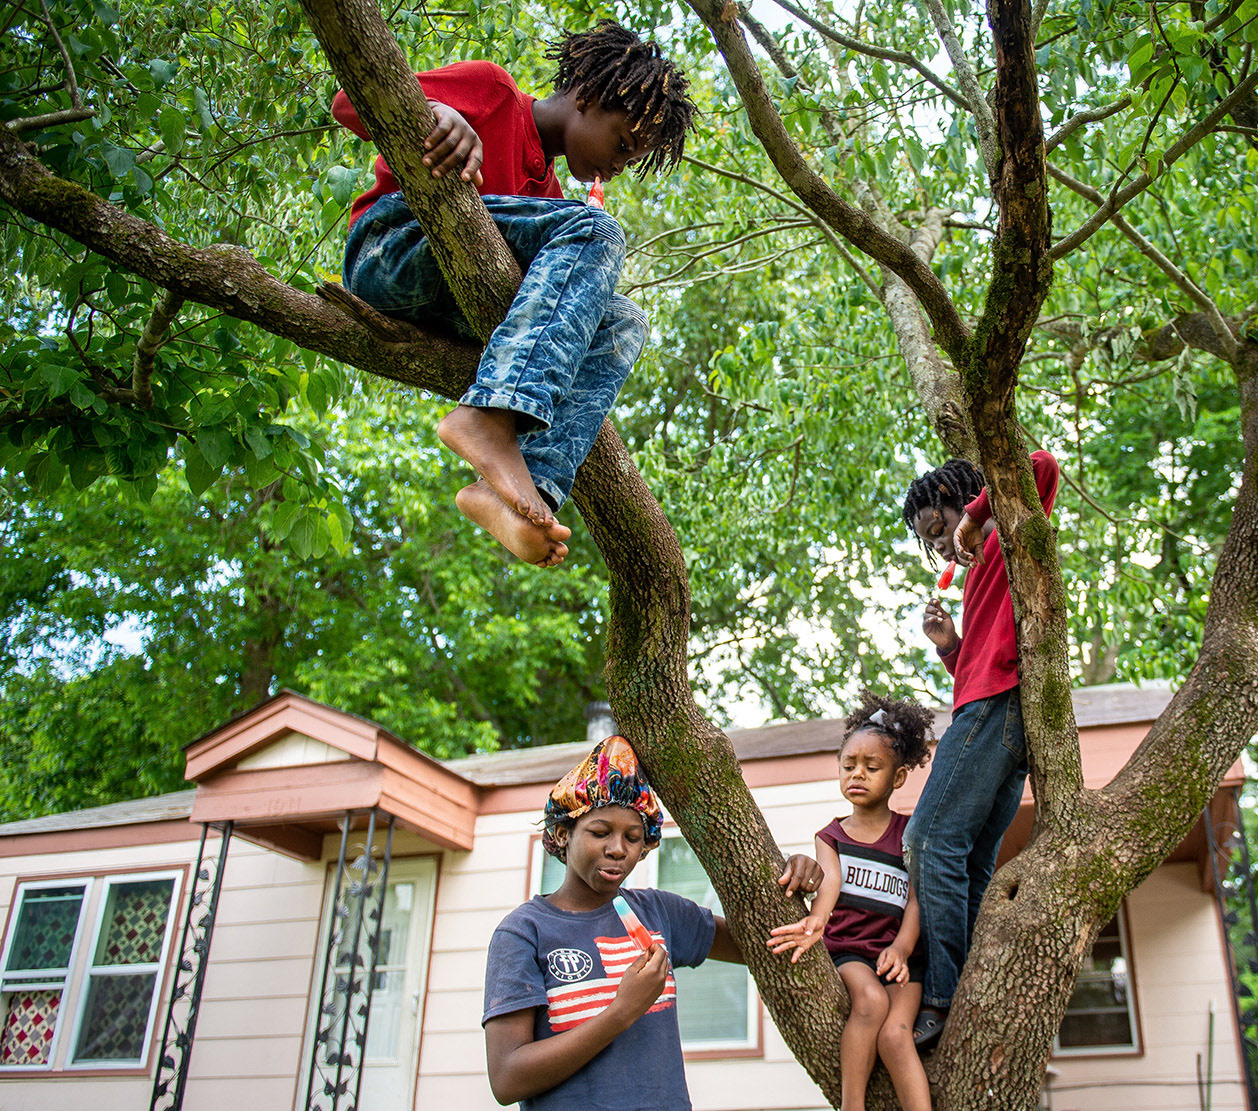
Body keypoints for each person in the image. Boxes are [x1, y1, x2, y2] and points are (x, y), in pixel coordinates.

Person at [331, 22, 697, 567]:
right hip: (390, 249)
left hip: (443, 307)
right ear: (587, 96)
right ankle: (488, 421)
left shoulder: (547, 196)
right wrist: (432, 113)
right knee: (598, 231)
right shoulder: (494, 92)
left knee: (623, 322)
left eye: (629, 162)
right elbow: (348, 102)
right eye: (621, 143)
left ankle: (529, 493)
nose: (616, 166)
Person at [483, 735, 822, 1111]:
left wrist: (792, 883)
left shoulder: (659, 913)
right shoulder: (523, 932)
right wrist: (621, 1012)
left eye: (633, 838)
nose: (618, 849)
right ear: (564, 834)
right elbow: (507, 1078)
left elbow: (768, 942)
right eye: (599, 833)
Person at [899, 451, 1060, 1048]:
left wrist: (973, 518)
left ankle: (940, 994)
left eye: (937, 528)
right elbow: (979, 663)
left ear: (961, 498)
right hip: (995, 708)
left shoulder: (1008, 534)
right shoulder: (980, 573)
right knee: (967, 861)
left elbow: (1041, 464)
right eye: (930, 541)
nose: (940, 546)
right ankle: (964, 989)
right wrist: (950, 647)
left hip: (994, 709)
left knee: (927, 838)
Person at [767, 693, 934, 1111]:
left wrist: (902, 947)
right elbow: (831, 883)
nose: (857, 774)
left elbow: (915, 901)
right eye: (848, 766)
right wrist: (816, 922)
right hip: (852, 952)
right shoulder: (832, 836)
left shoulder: (910, 834)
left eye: (871, 767)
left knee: (897, 1036)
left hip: (900, 957)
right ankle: (852, 1105)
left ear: (897, 779)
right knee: (871, 1002)